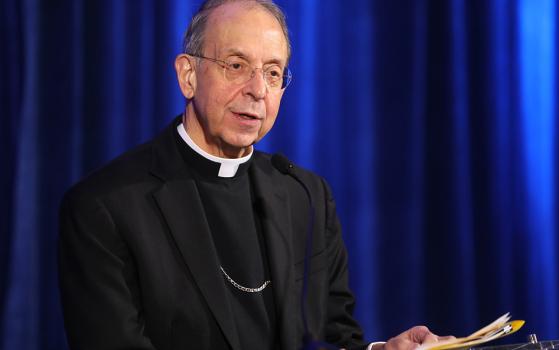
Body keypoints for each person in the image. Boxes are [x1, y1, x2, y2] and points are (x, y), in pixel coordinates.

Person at [59, 1, 450, 349]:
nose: (258, 90)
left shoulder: (306, 196)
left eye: (273, 72)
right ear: (188, 75)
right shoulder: (105, 206)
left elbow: (333, 336)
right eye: (236, 66)